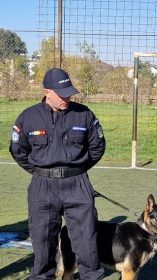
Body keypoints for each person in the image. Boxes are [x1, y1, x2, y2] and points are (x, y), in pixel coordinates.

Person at [9, 68, 106, 279]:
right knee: (42, 242)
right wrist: (42, 171)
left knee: (87, 241)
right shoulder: (28, 117)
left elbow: (97, 148)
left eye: (69, 93)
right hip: (42, 186)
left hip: (77, 184)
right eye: (62, 94)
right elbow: (18, 151)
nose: (67, 98)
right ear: (47, 92)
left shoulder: (84, 114)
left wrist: (75, 170)